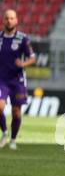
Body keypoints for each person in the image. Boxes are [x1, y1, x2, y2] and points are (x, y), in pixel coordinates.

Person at [0, 9, 36, 150]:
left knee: (16, 112)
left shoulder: (23, 38)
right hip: (2, 80)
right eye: (7, 18)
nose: (9, 20)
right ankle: (5, 132)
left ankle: (13, 140)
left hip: (17, 81)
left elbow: (33, 58)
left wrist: (23, 64)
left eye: (12, 18)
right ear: (3, 20)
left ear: (16, 20)